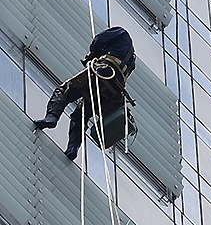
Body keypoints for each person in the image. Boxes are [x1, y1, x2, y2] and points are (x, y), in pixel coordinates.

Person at [33, 26, 136, 160]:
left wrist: (92, 53)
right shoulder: (132, 60)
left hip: (103, 71)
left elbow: (99, 39)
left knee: (63, 90)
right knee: (80, 116)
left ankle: (51, 117)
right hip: (114, 87)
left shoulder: (121, 32)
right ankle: (73, 148)